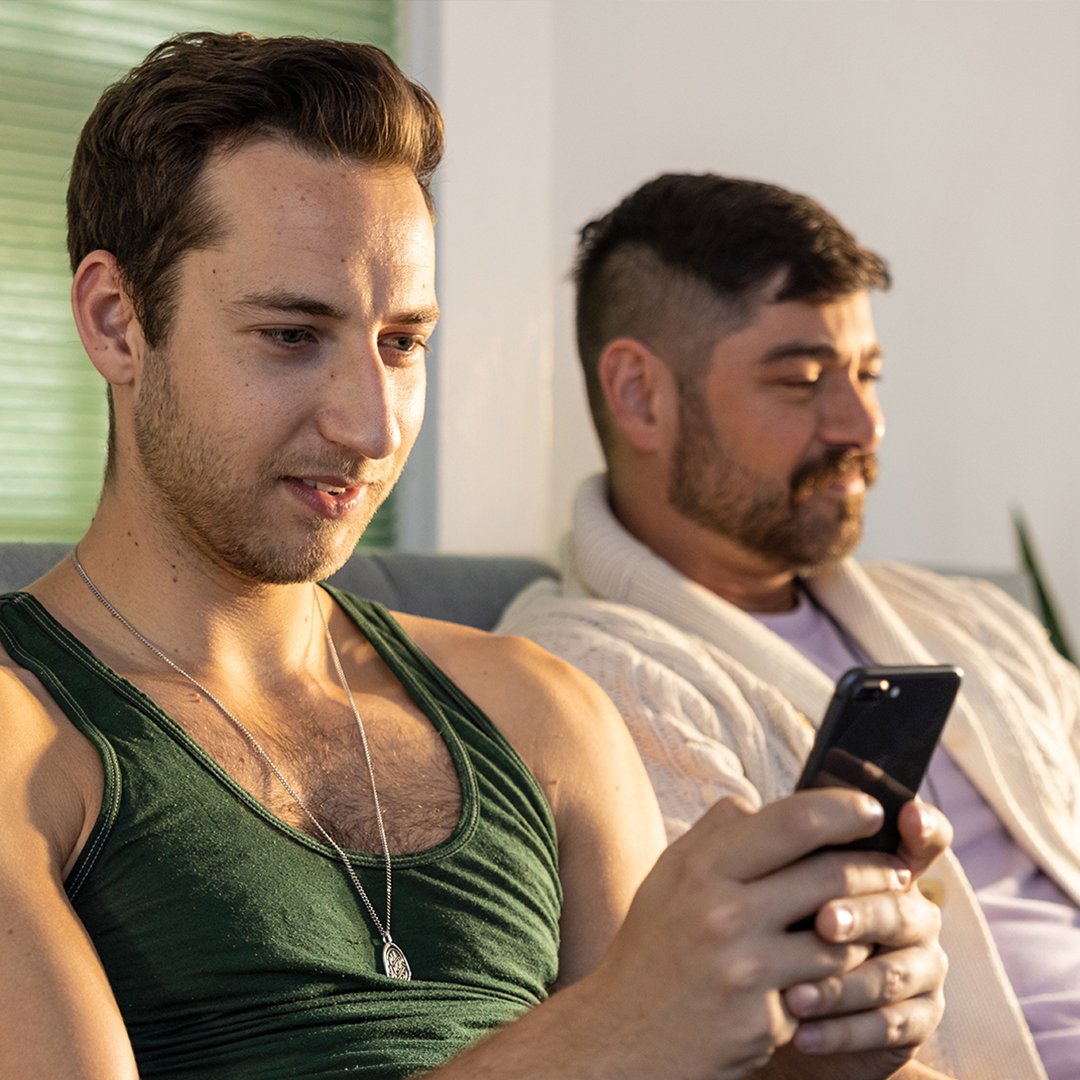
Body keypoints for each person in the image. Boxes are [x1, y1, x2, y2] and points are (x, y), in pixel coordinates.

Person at [0, 35, 951, 1079]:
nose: (370, 425)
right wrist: (614, 1026)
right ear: (115, 320)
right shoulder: (25, 734)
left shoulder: (536, 710)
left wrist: (820, 1044)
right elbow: (622, 1038)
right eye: (290, 335)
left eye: (402, 343)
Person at [497, 171, 1080, 1079]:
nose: (864, 422)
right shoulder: (579, 682)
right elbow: (742, 1035)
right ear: (641, 395)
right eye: (803, 379)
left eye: (868, 374)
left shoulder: (974, 619)